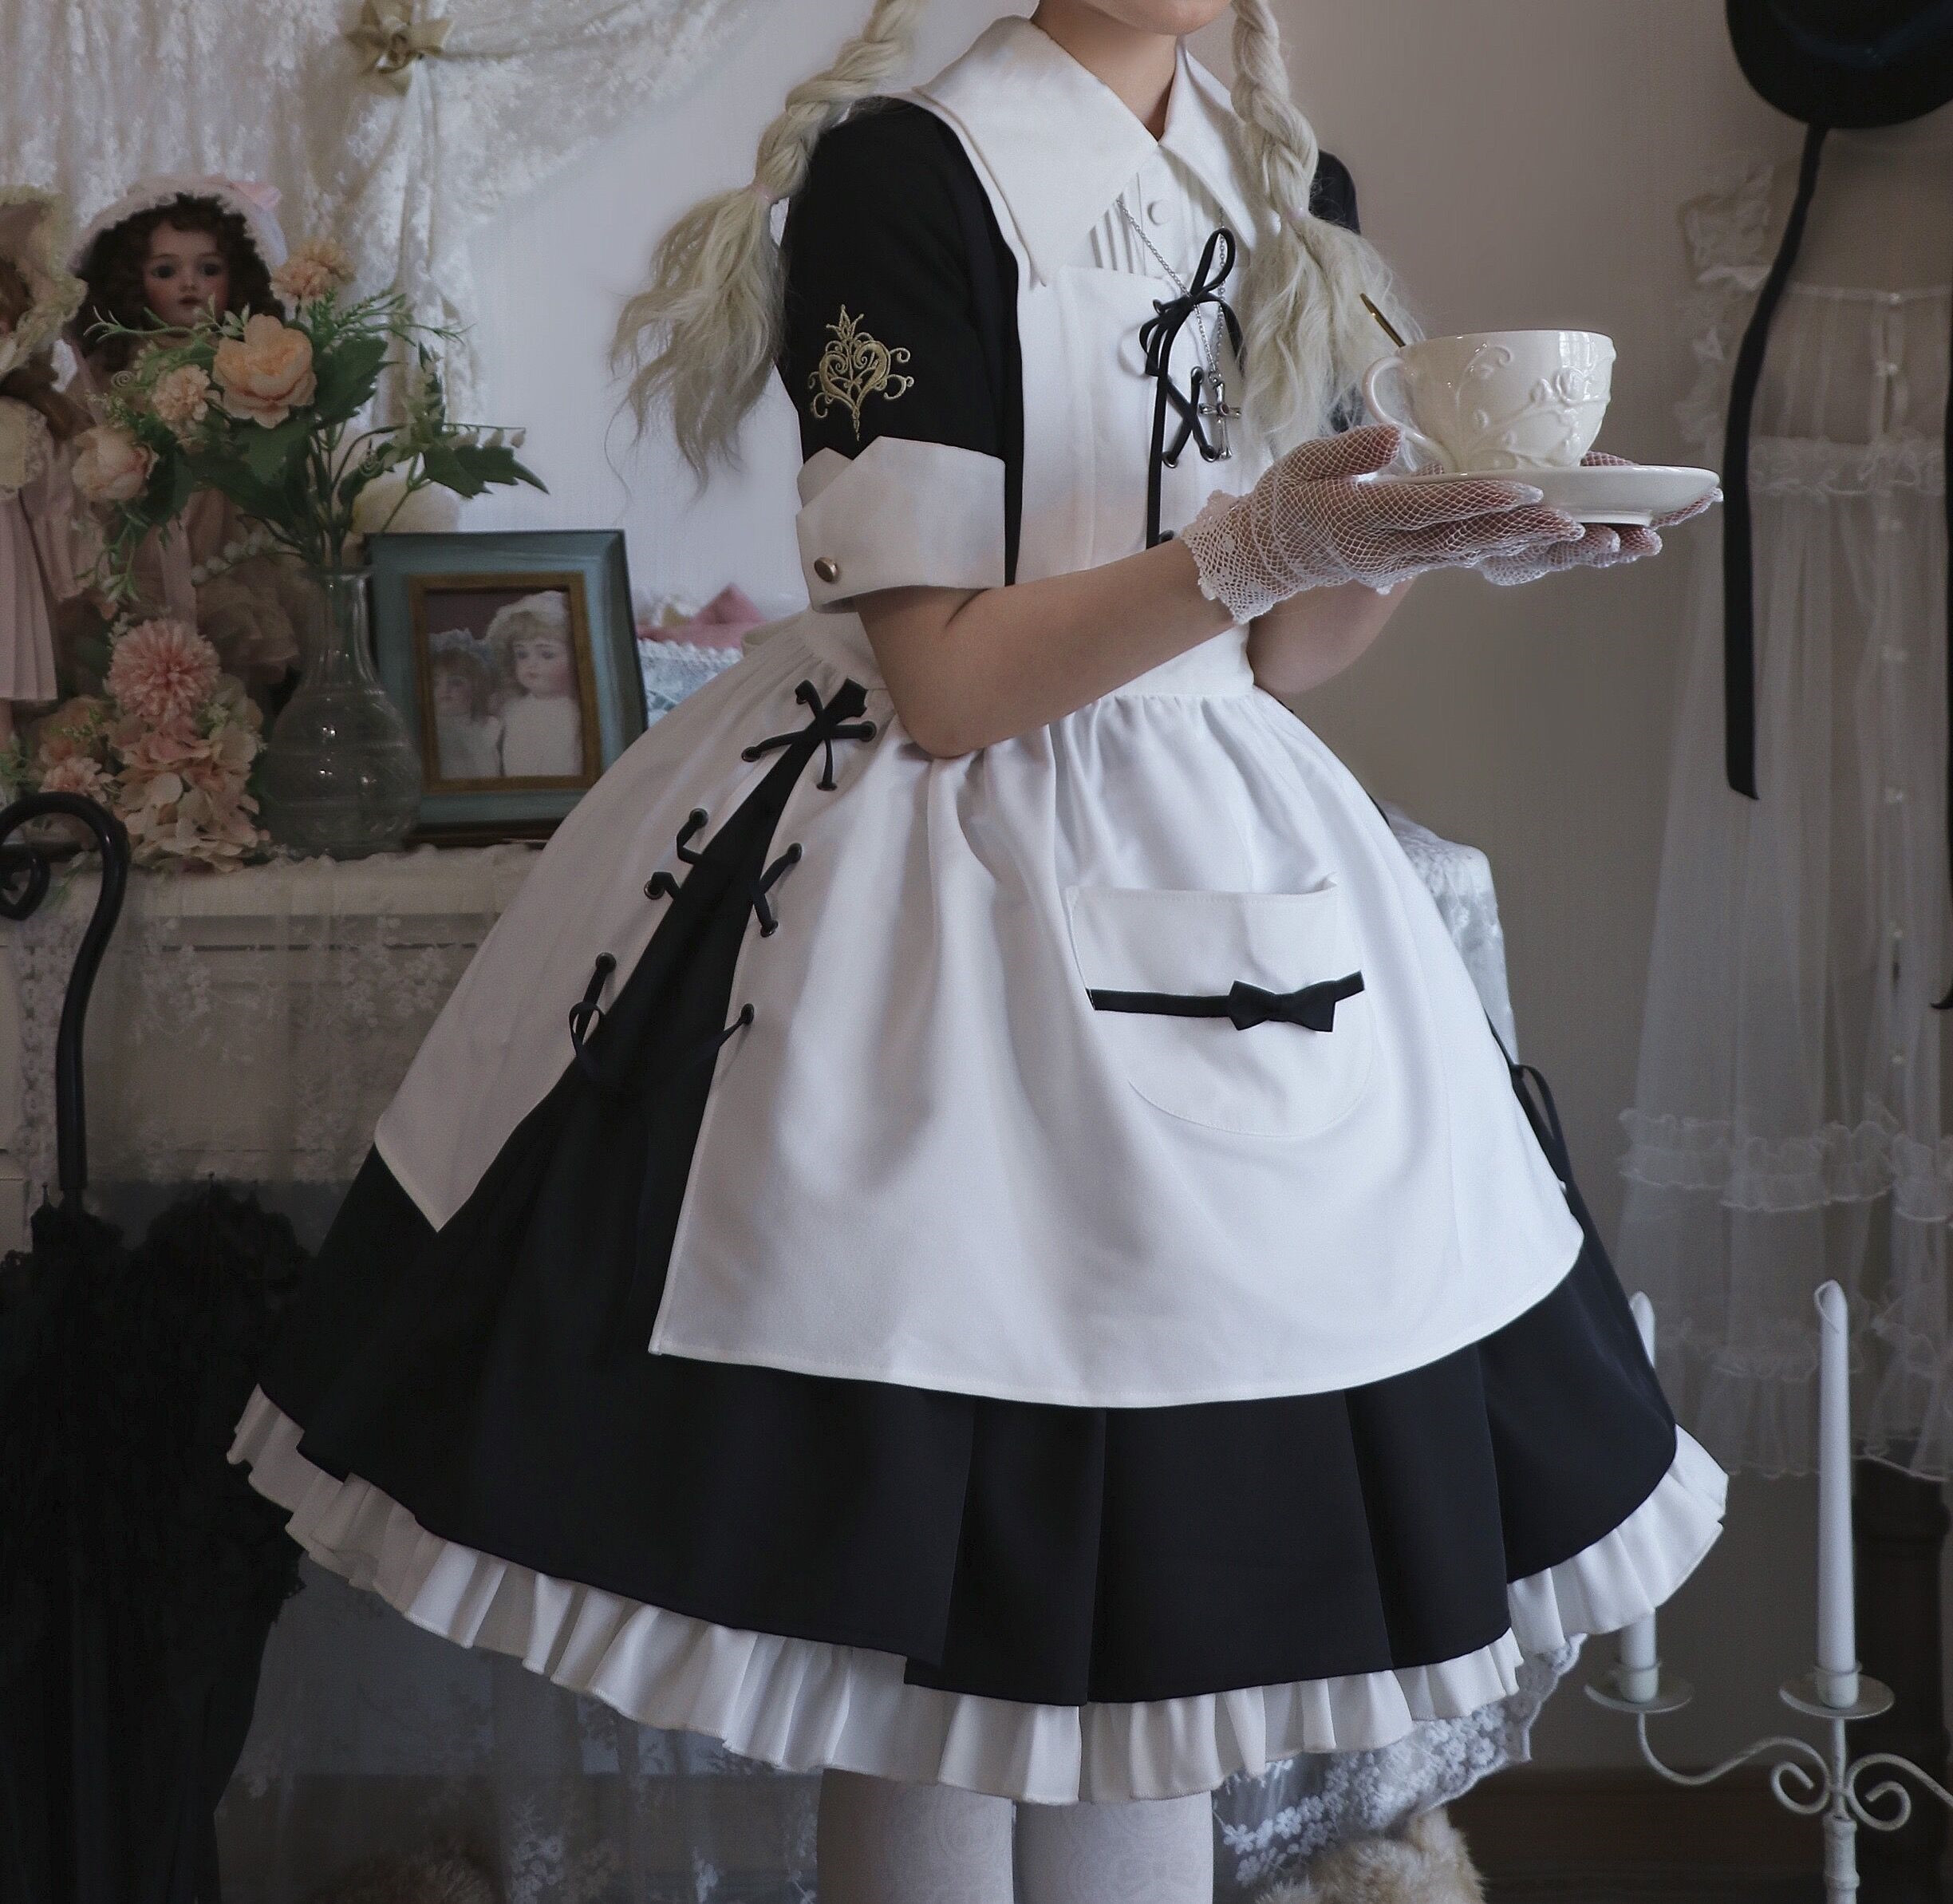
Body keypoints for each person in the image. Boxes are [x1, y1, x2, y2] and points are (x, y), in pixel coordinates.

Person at [230, 3, 1726, 1899]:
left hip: (1221, 856)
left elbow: (1275, 656)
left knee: (1169, 1651)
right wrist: (1258, 547)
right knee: (921, 1671)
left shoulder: (1288, 183)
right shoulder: (901, 175)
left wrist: (1422, 536)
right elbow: (944, 683)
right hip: (926, 911)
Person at [64, 176, 299, 696]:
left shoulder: (246, 361)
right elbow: (79, 450)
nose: (188, 284)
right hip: (140, 535)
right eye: (165, 271)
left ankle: (235, 722)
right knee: (130, 644)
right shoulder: (113, 371)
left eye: (209, 268)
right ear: (133, 280)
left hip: (226, 534)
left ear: (238, 277)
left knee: (236, 643)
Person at [485, 590, 584, 778]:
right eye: (522, 654)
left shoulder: (578, 713)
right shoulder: (511, 709)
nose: (531, 664)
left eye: (547, 655)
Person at [428, 630, 506, 781]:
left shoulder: (489, 727)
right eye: (435, 683)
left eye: (456, 682)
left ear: (476, 688)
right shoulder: (430, 731)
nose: (445, 689)